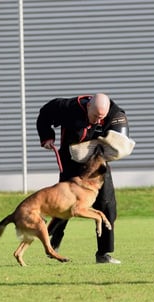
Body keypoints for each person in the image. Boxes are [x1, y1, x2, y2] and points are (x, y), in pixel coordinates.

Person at [36, 93, 129, 264]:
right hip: (70, 161)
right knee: (65, 205)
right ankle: (53, 243)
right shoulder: (66, 107)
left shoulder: (115, 114)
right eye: (95, 116)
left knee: (107, 205)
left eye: (102, 117)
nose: (98, 120)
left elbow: (121, 141)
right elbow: (44, 114)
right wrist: (47, 137)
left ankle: (103, 253)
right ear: (88, 106)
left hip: (96, 165)